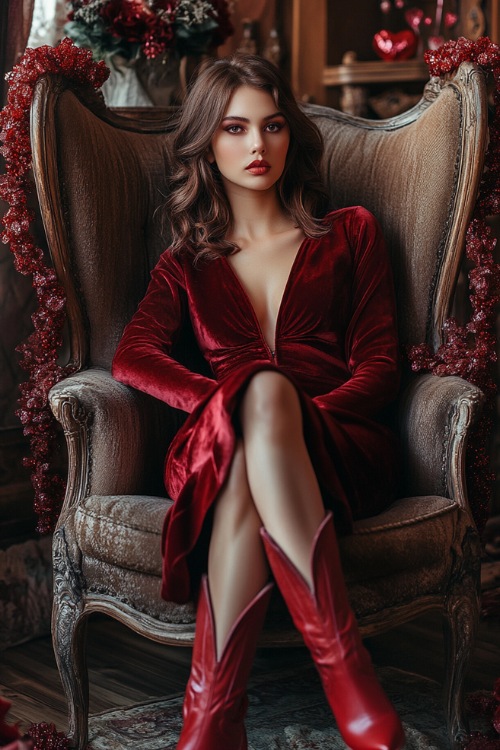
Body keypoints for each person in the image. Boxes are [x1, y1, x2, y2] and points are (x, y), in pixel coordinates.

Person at [112, 53, 405, 750]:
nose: (256, 146)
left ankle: (213, 722)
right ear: (207, 145)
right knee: (255, 418)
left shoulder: (351, 231)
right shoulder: (185, 261)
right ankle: (341, 680)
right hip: (221, 447)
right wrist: (235, 405)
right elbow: (133, 356)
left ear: (290, 135)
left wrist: (293, 422)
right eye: (235, 129)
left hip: (335, 444)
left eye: (272, 127)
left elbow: (382, 365)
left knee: (267, 414)